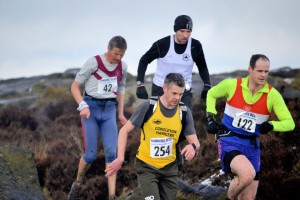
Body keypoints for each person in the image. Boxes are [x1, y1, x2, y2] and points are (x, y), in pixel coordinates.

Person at [206, 54, 295, 200]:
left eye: (266, 71)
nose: (263, 75)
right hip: (230, 141)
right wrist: (210, 117)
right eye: (259, 71)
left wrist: (271, 125)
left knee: (248, 197)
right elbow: (211, 94)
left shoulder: (272, 95)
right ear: (250, 69)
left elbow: (290, 123)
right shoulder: (232, 85)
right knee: (247, 175)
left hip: (252, 147)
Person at [106, 73, 200, 200]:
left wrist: (192, 146)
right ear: (164, 89)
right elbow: (124, 131)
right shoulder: (149, 107)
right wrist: (120, 158)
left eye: (180, 94)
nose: (178, 98)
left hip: (169, 169)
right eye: (174, 93)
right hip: (147, 167)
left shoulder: (184, 112)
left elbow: (195, 141)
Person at [136, 14, 211, 168]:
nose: (185, 35)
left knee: (184, 123)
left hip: (184, 91)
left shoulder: (195, 46)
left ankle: (173, 149)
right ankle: (153, 158)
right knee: (158, 124)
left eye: (189, 32)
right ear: (175, 30)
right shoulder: (163, 44)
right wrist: (140, 84)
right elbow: (144, 60)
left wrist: (207, 85)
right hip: (161, 89)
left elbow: (202, 66)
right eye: (182, 31)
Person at [68, 36, 128, 200]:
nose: (118, 58)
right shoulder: (94, 62)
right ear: (109, 48)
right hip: (91, 109)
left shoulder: (123, 67)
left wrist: (121, 113)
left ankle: (112, 195)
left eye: (122, 55)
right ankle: (77, 185)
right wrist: (82, 105)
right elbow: (74, 86)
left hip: (109, 110)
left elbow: (121, 89)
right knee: (90, 155)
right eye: (116, 54)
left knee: (112, 154)